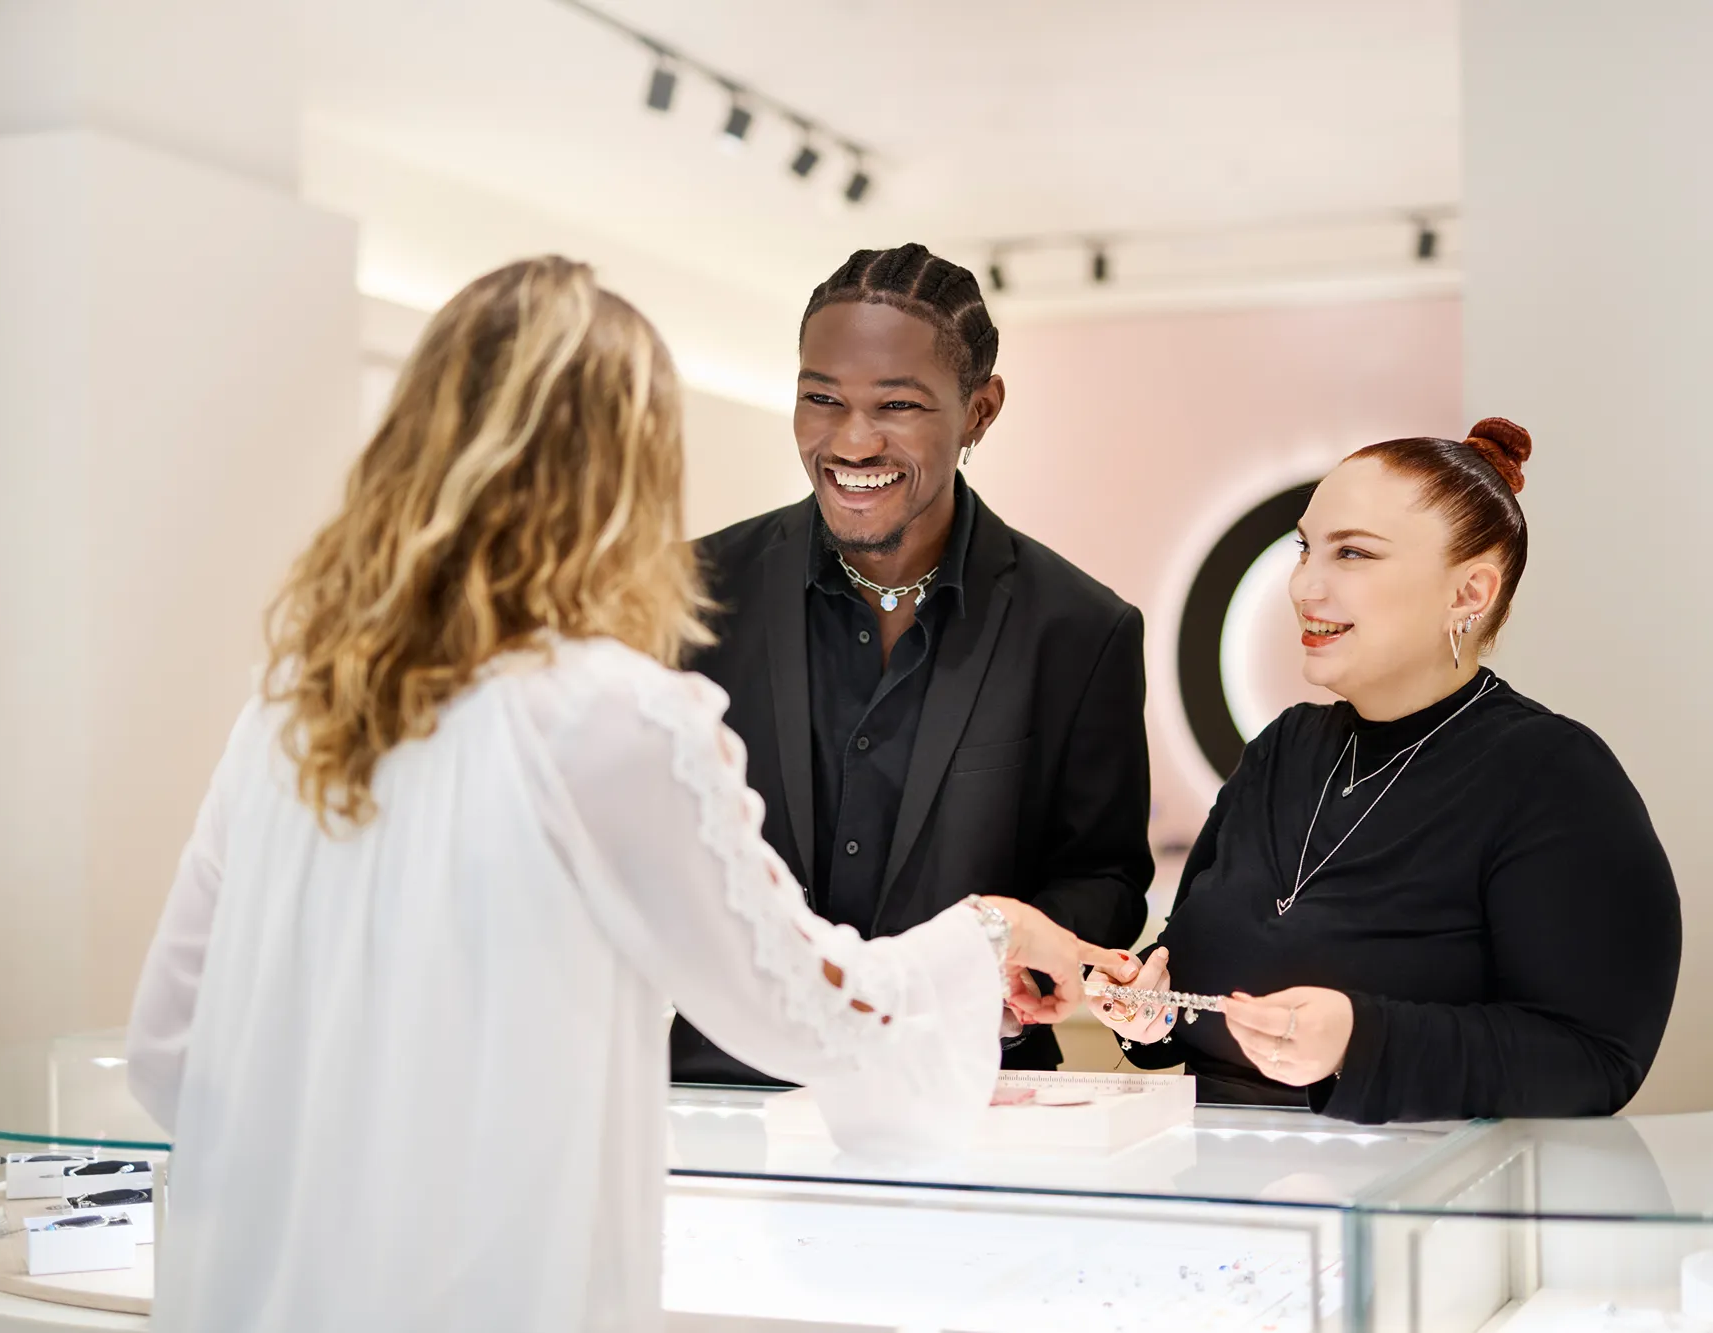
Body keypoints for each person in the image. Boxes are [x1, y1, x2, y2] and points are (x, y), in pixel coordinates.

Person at [124, 256, 1133, 1333]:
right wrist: (980, 937)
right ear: (621, 464)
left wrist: (352, 1199)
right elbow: (795, 1008)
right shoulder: (612, 713)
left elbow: (167, 1052)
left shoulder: (291, 700)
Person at [1094, 420, 1681, 1122]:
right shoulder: (1282, 748)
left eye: (1353, 554)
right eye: (1305, 548)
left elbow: (1594, 1059)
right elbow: (1192, 968)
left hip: (1425, 1208)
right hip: (1220, 1196)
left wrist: (1358, 1040)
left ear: (1469, 593)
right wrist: (1150, 1009)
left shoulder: (1552, 777)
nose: (1305, 585)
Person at [672, 243, 1153, 1084]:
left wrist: (1013, 966)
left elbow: (1102, 873)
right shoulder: (686, 595)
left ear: (980, 410)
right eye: (821, 398)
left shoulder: (1082, 628)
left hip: (966, 1097)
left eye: (897, 404)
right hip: (725, 1094)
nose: (852, 441)